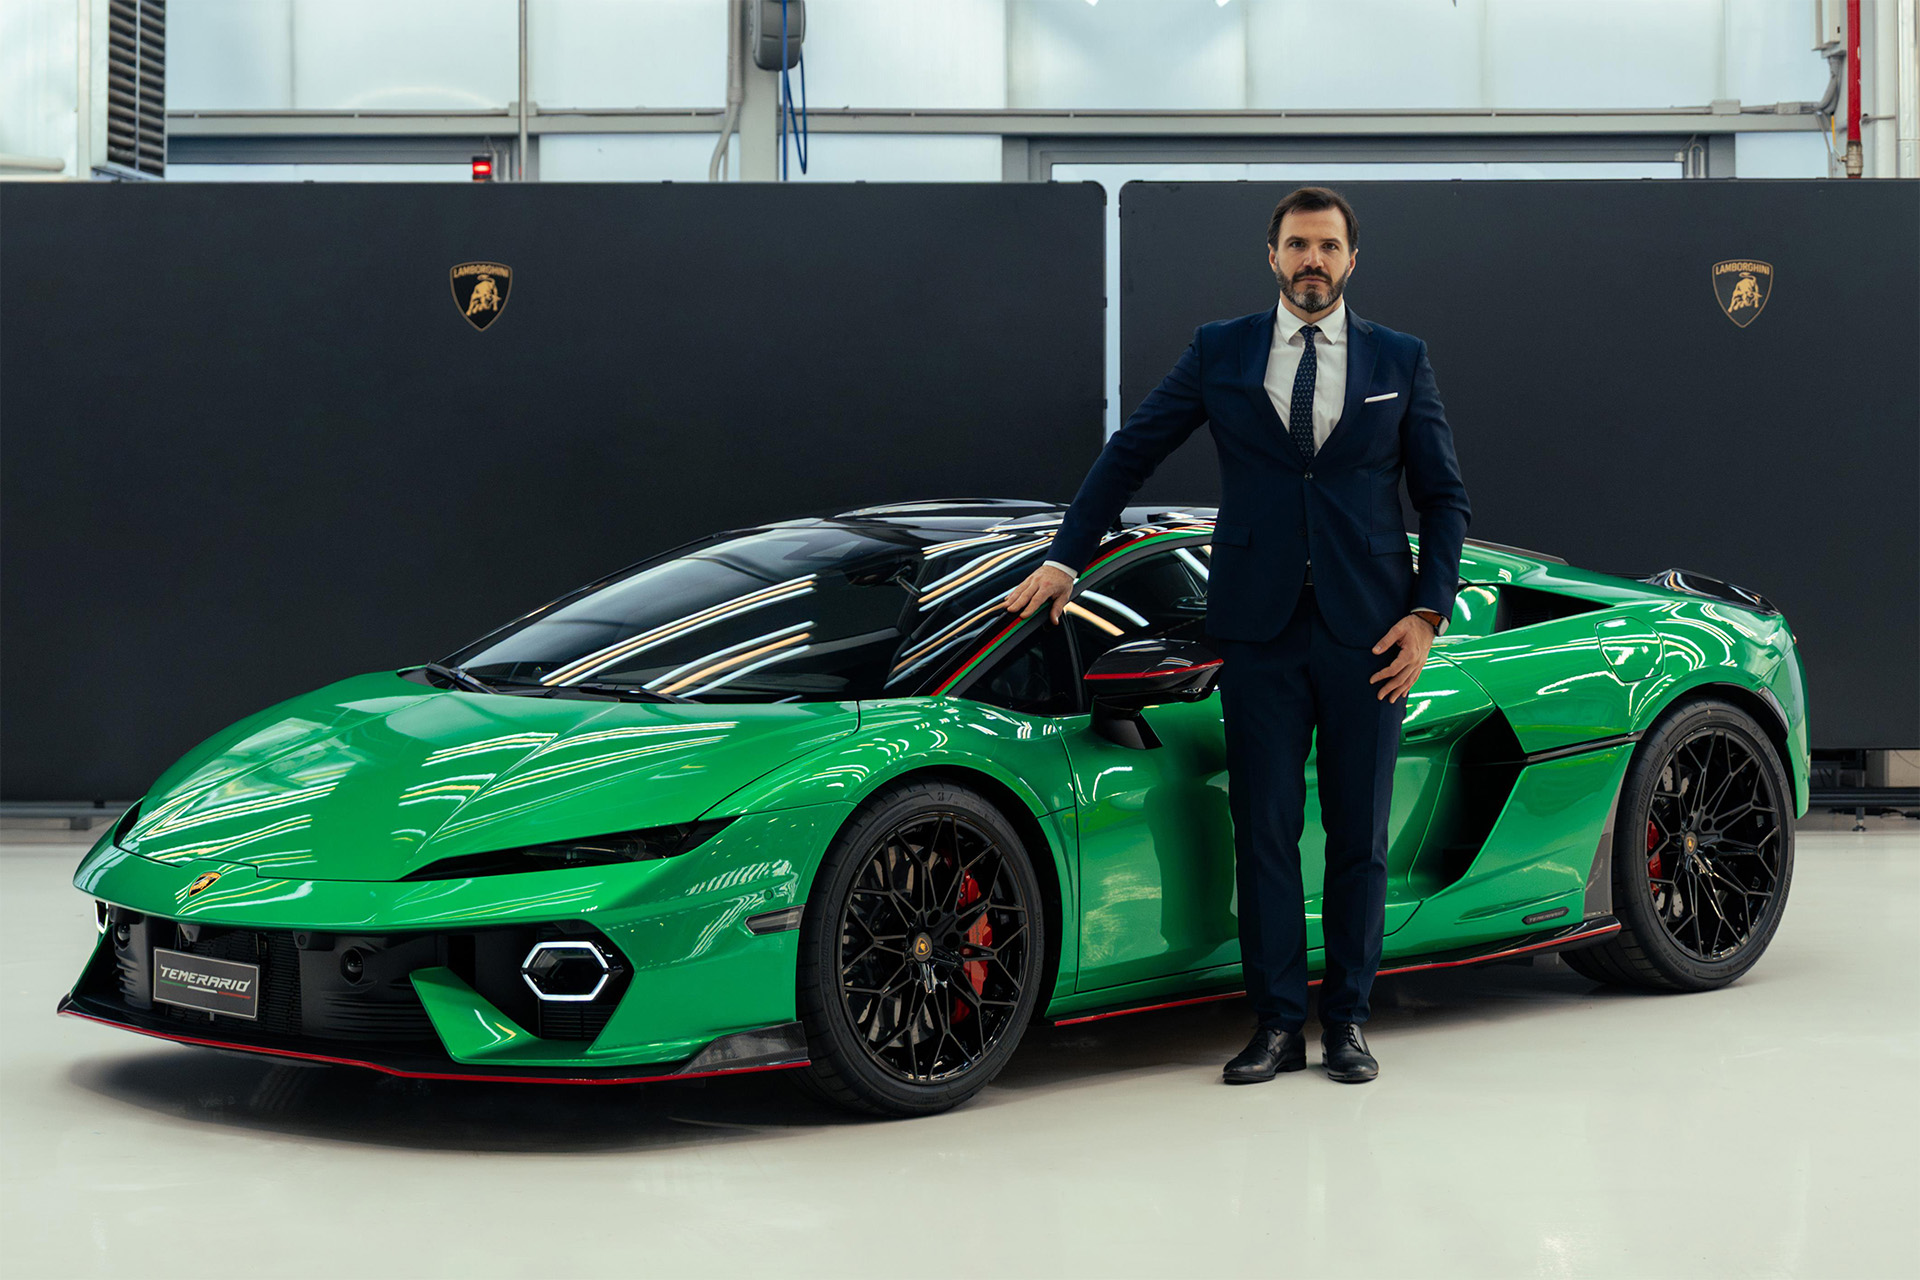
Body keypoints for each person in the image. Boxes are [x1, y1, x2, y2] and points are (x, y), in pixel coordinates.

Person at [1001, 185, 1471, 1086]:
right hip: (1258, 633)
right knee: (1262, 831)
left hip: (1370, 633)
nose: (1313, 262)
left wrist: (1427, 613)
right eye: (1298, 245)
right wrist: (1066, 558)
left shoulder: (1400, 359)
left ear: (1351, 260)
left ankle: (1350, 1021)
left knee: (1359, 833)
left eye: (1328, 247)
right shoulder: (1221, 350)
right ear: (1272, 256)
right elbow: (1130, 452)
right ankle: (1273, 1023)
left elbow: (1444, 497)